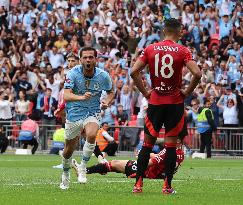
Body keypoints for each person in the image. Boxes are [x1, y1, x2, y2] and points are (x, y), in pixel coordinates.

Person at [130, 18, 202, 194]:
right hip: (175, 103)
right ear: (180, 32)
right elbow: (197, 73)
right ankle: (167, 186)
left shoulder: (150, 48)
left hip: (155, 101)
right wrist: (186, 92)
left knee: (147, 145)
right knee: (171, 146)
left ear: (163, 31)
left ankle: (138, 185)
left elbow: (133, 72)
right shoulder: (183, 50)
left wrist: (146, 93)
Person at [60, 47, 114, 190]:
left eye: (91, 57)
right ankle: (65, 174)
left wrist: (107, 101)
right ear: (80, 60)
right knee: (68, 150)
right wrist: (81, 97)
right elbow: (66, 95)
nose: (88, 60)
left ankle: (83, 166)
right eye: (85, 57)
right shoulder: (72, 73)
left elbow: (111, 91)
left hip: (93, 112)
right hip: (74, 114)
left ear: (96, 59)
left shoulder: (103, 75)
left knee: (91, 134)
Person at [72, 142, 184, 180]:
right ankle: (95, 166)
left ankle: (84, 170)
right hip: (154, 173)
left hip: (146, 171)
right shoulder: (180, 153)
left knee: (114, 164)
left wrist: (141, 158)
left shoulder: (167, 151)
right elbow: (157, 157)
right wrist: (143, 154)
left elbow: (150, 162)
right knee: (112, 164)